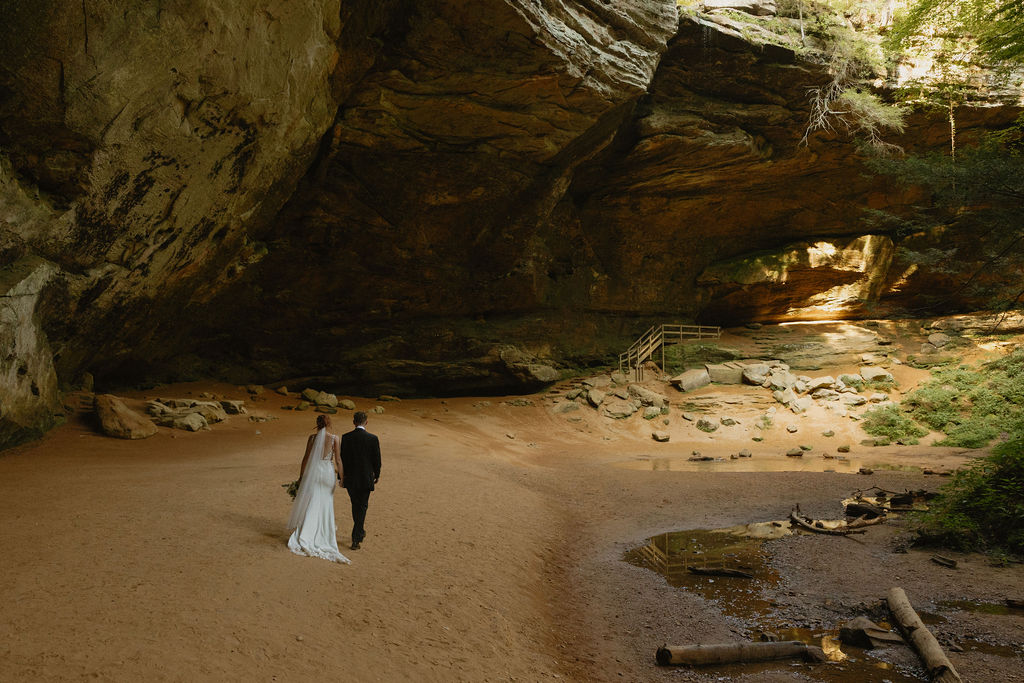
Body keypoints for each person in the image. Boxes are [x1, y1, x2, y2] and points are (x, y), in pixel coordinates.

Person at [286, 414, 350, 564]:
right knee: (326, 502)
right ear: (329, 424)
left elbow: (305, 459)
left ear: (317, 424)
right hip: (327, 472)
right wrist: (342, 477)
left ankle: (307, 533)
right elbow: (338, 460)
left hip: (314, 472)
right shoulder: (335, 438)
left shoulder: (312, 438)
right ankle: (324, 532)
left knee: (312, 502)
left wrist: (301, 477)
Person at [339, 411, 381, 550]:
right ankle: (356, 537)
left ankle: (359, 532)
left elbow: (342, 459)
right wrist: (377, 474)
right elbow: (377, 460)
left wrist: (342, 476)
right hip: (365, 477)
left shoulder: (346, 438)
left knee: (355, 505)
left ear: (354, 422)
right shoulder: (373, 438)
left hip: (351, 478)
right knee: (362, 506)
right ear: (366, 422)